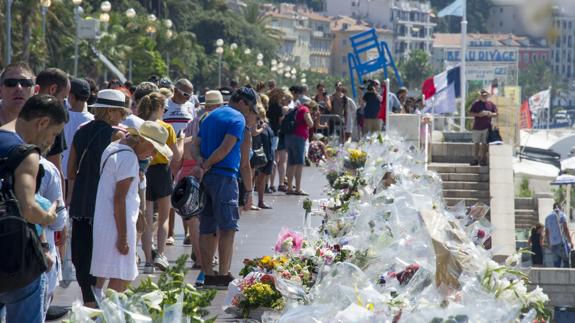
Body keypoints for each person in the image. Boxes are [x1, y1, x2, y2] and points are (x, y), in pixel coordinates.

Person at [0, 94, 67, 323]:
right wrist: (48, 216)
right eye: (54, 134)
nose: (51, 141)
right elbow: (28, 208)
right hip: (17, 259)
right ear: (42, 123)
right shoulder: (27, 154)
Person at [187, 87, 258, 288]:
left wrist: (201, 163)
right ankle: (223, 274)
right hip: (224, 177)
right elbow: (226, 149)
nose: (249, 111)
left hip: (206, 179)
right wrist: (249, 191)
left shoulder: (210, 116)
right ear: (243, 102)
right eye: (250, 106)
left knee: (207, 227)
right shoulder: (237, 119)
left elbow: (194, 145)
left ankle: (208, 273)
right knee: (228, 227)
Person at [91, 121, 172, 297]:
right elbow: (119, 200)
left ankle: (99, 301)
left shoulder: (115, 146)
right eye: (154, 149)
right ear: (144, 142)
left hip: (106, 221)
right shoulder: (128, 159)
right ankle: (110, 313)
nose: (154, 154)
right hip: (118, 223)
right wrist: (123, 237)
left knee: (104, 273)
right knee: (121, 276)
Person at [67, 89, 128, 307]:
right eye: (121, 113)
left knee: (82, 253)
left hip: (81, 201)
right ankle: (102, 305)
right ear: (111, 112)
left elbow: (71, 171)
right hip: (104, 202)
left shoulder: (80, 132)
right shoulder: (118, 136)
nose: (122, 117)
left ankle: (88, 301)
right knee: (103, 254)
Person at [178, 90, 225, 286]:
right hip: (208, 171)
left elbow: (185, 149)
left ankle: (200, 258)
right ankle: (206, 261)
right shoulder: (217, 123)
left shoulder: (192, 123)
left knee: (195, 219)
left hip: (189, 170)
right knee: (210, 223)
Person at [138, 92, 181, 272]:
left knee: (146, 217)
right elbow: (176, 156)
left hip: (145, 170)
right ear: (159, 108)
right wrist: (182, 142)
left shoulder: (141, 126)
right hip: (162, 172)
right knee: (164, 216)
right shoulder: (167, 128)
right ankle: (161, 254)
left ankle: (148, 260)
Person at [63, 78, 94, 188]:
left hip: (61, 173)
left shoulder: (61, 118)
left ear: (71, 96)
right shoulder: (93, 121)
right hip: (81, 176)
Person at [285, 99, 314, 196]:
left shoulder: (296, 109)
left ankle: (289, 187)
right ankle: (297, 188)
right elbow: (310, 123)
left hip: (289, 136)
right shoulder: (305, 109)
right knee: (299, 163)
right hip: (298, 137)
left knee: (291, 162)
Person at [267, 89, 291, 193]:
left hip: (269, 133)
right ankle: (280, 183)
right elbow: (280, 120)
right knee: (280, 161)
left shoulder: (268, 105)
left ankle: (270, 184)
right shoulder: (277, 107)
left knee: (273, 160)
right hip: (277, 133)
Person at [253, 105, 274, 209]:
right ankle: (250, 201)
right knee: (254, 178)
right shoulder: (255, 124)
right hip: (258, 154)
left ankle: (261, 201)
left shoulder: (265, 123)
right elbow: (253, 133)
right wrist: (261, 128)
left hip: (267, 153)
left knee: (262, 178)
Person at [469, 89, 498, 166]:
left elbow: (496, 113)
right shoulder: (476, 104)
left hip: (486, 127)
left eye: (485, 95)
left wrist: (490, 114)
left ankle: (482, 160)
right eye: (482, 95)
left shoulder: (491, 104)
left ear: (487, 96)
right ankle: (475, 159)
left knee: (484, 144)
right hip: (477, 127)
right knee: (476, 144)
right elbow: (470, 112)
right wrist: (479, 115)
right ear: (480, 96)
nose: (484, 96)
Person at [544, 203, 573, 267]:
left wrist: (548, 243)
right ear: (560, 208)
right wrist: (570, 241)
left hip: (553, 244)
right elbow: (565, 228)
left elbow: (546, 232)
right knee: (566, 262)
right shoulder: (562, 215)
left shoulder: (547, 217)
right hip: (561, 243)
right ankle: (566, 277)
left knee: (556, 265)